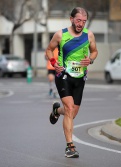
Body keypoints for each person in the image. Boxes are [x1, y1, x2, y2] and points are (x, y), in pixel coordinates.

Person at [46, 7, 98, 158]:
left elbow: (94, 51)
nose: (81, 24)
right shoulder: (60, 35)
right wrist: (54, 62)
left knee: (72, 113)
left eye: (83, 21)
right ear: (71, 19)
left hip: (80, 78)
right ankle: (70, 147)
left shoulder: (89, 35)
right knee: (69, 108)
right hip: (63, 75)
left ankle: (56, 111)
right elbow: (49, 50)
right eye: (78, 20)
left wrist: (91, 59)